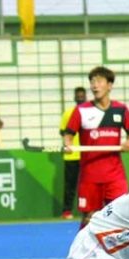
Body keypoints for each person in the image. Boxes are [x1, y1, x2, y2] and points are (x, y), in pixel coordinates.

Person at [62, 66, 129, 229]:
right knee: (89, 218)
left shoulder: (121, 109)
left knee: (121, 214)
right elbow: (68, 134)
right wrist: (68, 144)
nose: (94, 85)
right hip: (90, 176)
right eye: (92, 81)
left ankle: (118, 253)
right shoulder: (81, 111)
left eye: (99, 81)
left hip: (115, 176)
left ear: (109, 85)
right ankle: (83, 252)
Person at [59, 87, 88, 220]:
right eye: (78, 96)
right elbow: (63, 131)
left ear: (86, 97)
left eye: (83, 96)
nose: (80, 98)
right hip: (71, 155)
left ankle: (88, 209)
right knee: (70, 185)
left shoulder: (90, 112)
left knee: (88, 185)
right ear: (75, 97)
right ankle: (67, 211)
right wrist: (68, 142)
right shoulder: (68, 113)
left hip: (87, 154)